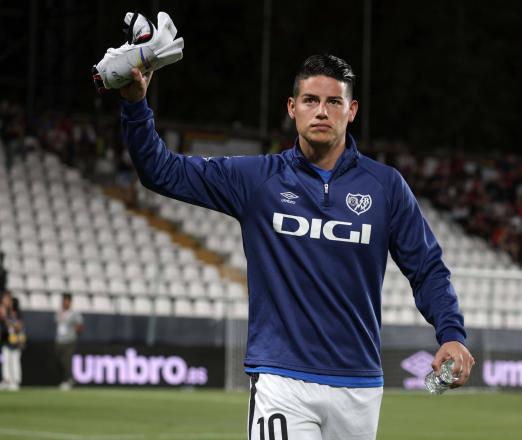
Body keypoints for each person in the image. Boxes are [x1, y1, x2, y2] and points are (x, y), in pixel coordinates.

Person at [120, 54, 474, 439]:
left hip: (359, 385)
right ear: (292, 108)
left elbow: (427, 267)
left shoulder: (386, 187)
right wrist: (135, 103)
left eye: (334, 102)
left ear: (351, 110)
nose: (321, 111)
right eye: (310, 100)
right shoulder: (256, 180)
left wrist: (451, 333)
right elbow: (160, 171)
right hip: (281, 379)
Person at [54, 293, 83, 391]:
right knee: (59, 360)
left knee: (67, 361)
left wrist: (77, 330)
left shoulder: (75, 313)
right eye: (63, 300)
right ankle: (69, 379)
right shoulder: (59, 312)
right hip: (59, 340)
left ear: (70, 302)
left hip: (70, 340)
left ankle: (67, 381)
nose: (64, 302)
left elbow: (80, 325)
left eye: (66, 300)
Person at [0, 291, 25, 391]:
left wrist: (6, 319)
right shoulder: (2, 311)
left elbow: (19, 327)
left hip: (16, 340)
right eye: (4, 299)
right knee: (6, 361)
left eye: (8, 299)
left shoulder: (16, 312)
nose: (6, 301)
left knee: (15, 361)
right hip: (5, 340)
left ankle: (15, 381)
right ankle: (7, 380)